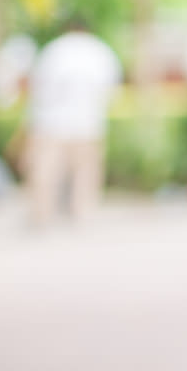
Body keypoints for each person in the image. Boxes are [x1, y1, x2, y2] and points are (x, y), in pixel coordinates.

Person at [23, 17, 122, 226]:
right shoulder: (100, 51)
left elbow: (39, 89)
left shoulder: (54, 50)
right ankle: (81, 213)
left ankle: (42, 214)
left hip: (51, 122)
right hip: (89, 122)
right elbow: (111, 89)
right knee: (85, 173)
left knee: (46, 171)